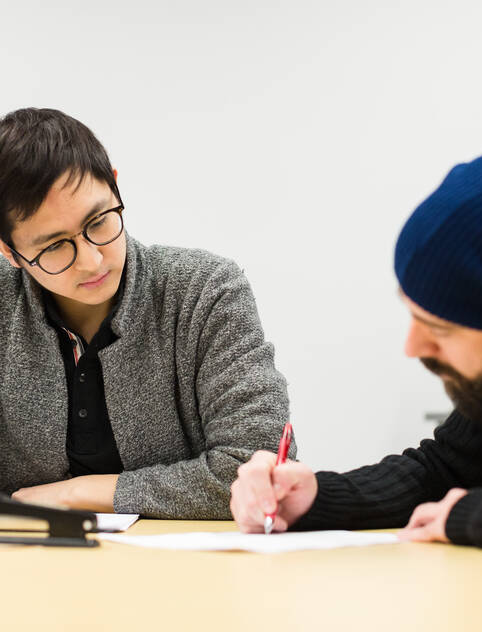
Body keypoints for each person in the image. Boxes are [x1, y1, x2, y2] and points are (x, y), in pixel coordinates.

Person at [230, 129, 482, 560]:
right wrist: (315, 498)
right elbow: (443, 469)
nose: (413, 346)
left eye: (440, 327)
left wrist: (473, 515)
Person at [0, 107, 293, 518]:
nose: (92, 259)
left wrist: (75, 494)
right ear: (9, 251)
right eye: (54, 247)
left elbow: (259, 469)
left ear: (116, 187)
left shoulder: (204, 290)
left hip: (189, 568)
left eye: (99, 221)